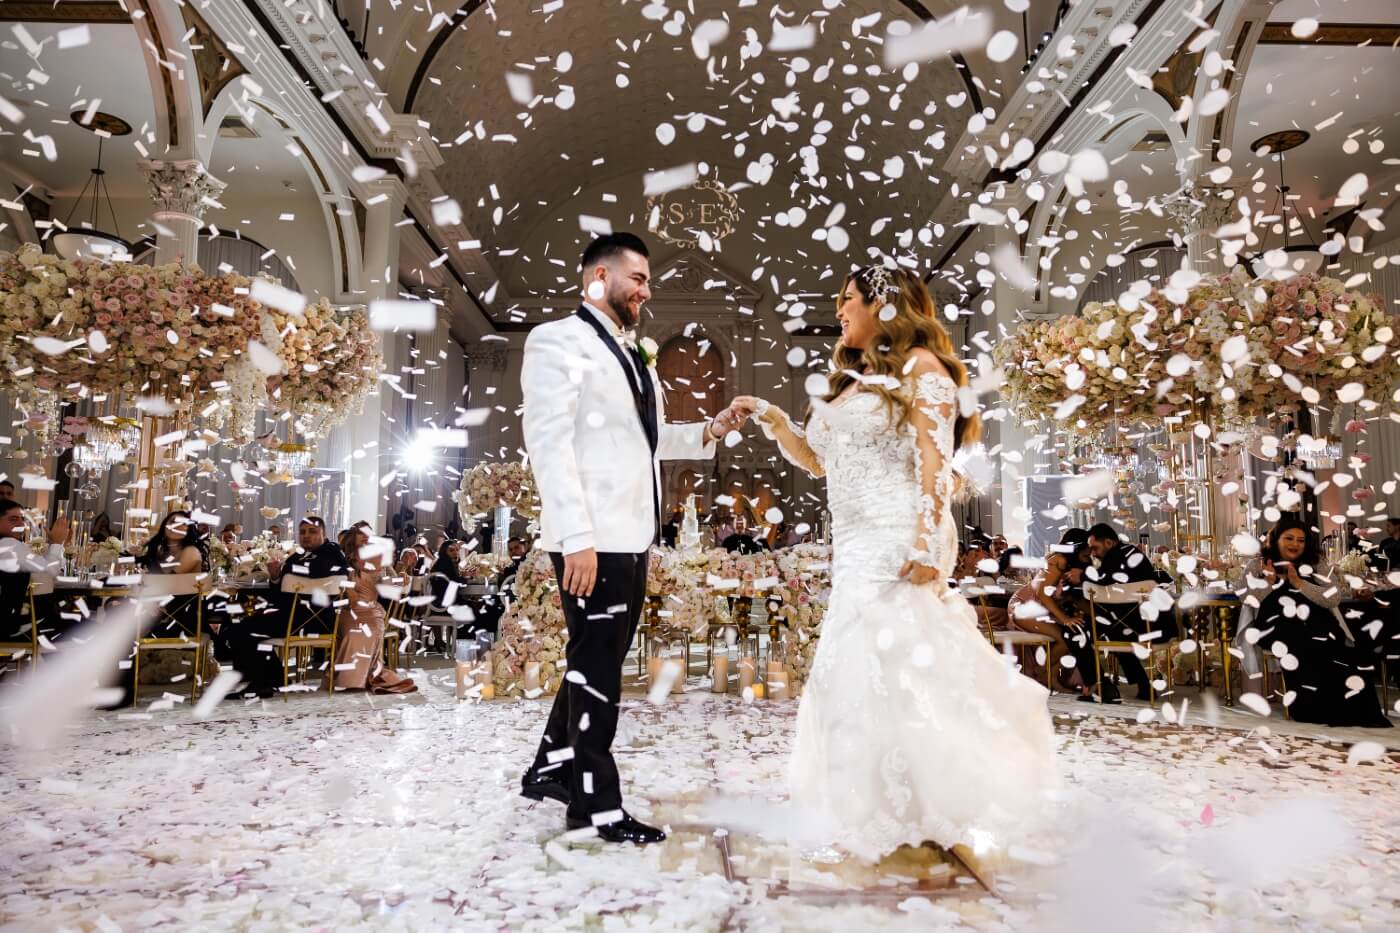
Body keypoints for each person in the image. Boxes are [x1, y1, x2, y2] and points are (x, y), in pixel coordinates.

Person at [734, 264, 1053, 867]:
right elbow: (816, 461)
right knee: (857, 671)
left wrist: (925, 543)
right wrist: (771, 417)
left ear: (885, 307)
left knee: (905, 668)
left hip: (896, 534)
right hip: (854, 547)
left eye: (848, 299)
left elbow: (936, 461)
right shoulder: (852, 383)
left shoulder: (922, 372)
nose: (840, 310)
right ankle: (881, 804)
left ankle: (936, 800)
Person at [518, 231, 745, 846]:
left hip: (631, 536)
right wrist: (576, 537)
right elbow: (550, 442)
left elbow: (643, 440)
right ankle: (594, 805)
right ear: (597, 277)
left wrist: (709, 429)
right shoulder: (556, 341)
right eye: (636, 278)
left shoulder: (631, 351)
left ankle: (551, 769)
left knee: (596, 661)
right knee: (598, 670)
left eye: (646, 279)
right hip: (593, 539)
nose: (646, 289)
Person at [1242, 518, 1389, 728]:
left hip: (1316, 622)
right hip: (1277, 625)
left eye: (1301, 540)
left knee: (1339, 650)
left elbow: (1333, 597)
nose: (1295, 544)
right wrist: (1268, 583)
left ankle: (1351, 709)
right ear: (1276, 540)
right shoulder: (1258, 563)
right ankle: (1311, 708)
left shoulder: (1315, 562)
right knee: (1301, 641)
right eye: (1289, 538)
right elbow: (1246, 599)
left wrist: (1300, 583)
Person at [1072, 522, 1169, 703]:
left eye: (1095, 547)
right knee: (1108, 630)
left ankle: (1100, 686)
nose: (1092, 552)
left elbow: (1107, 580)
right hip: (1148, 625)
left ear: (1109, 543)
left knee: (1078, 632)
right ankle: (1137, 684)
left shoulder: (1118, 558)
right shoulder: (1129, 553)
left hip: (1142, 626)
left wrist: (1081, 577)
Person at [1008, 529, 1090, 695]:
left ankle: (1049, 677)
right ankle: (1043, 673)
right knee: (1064, 638)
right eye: (1088, 546)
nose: (1091, 551)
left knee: (1071, 637)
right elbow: (1042, 594)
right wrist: (1065, 619)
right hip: (1025, 605)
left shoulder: (1074, 564)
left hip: (1042, 609)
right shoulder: (1058, 560)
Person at [333, 528, 416, 694]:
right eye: (362, 539)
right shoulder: (343, 563)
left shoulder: (378, 562)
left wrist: (401, 578)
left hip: (372, 610)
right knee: (354, 633)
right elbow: (339, 589)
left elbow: (388, 582)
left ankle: (367, 676)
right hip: (347, 611)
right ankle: (350, 678)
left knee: (370, 629)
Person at [0, 499, 68, 648]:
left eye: (22, 519)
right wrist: (57, 542)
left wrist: (53, 543)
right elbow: (51, 570)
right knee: (96, 630)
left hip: (10, 624)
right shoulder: (8, 545)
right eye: (13, 519)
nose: (20, 524)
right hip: (12, 628)